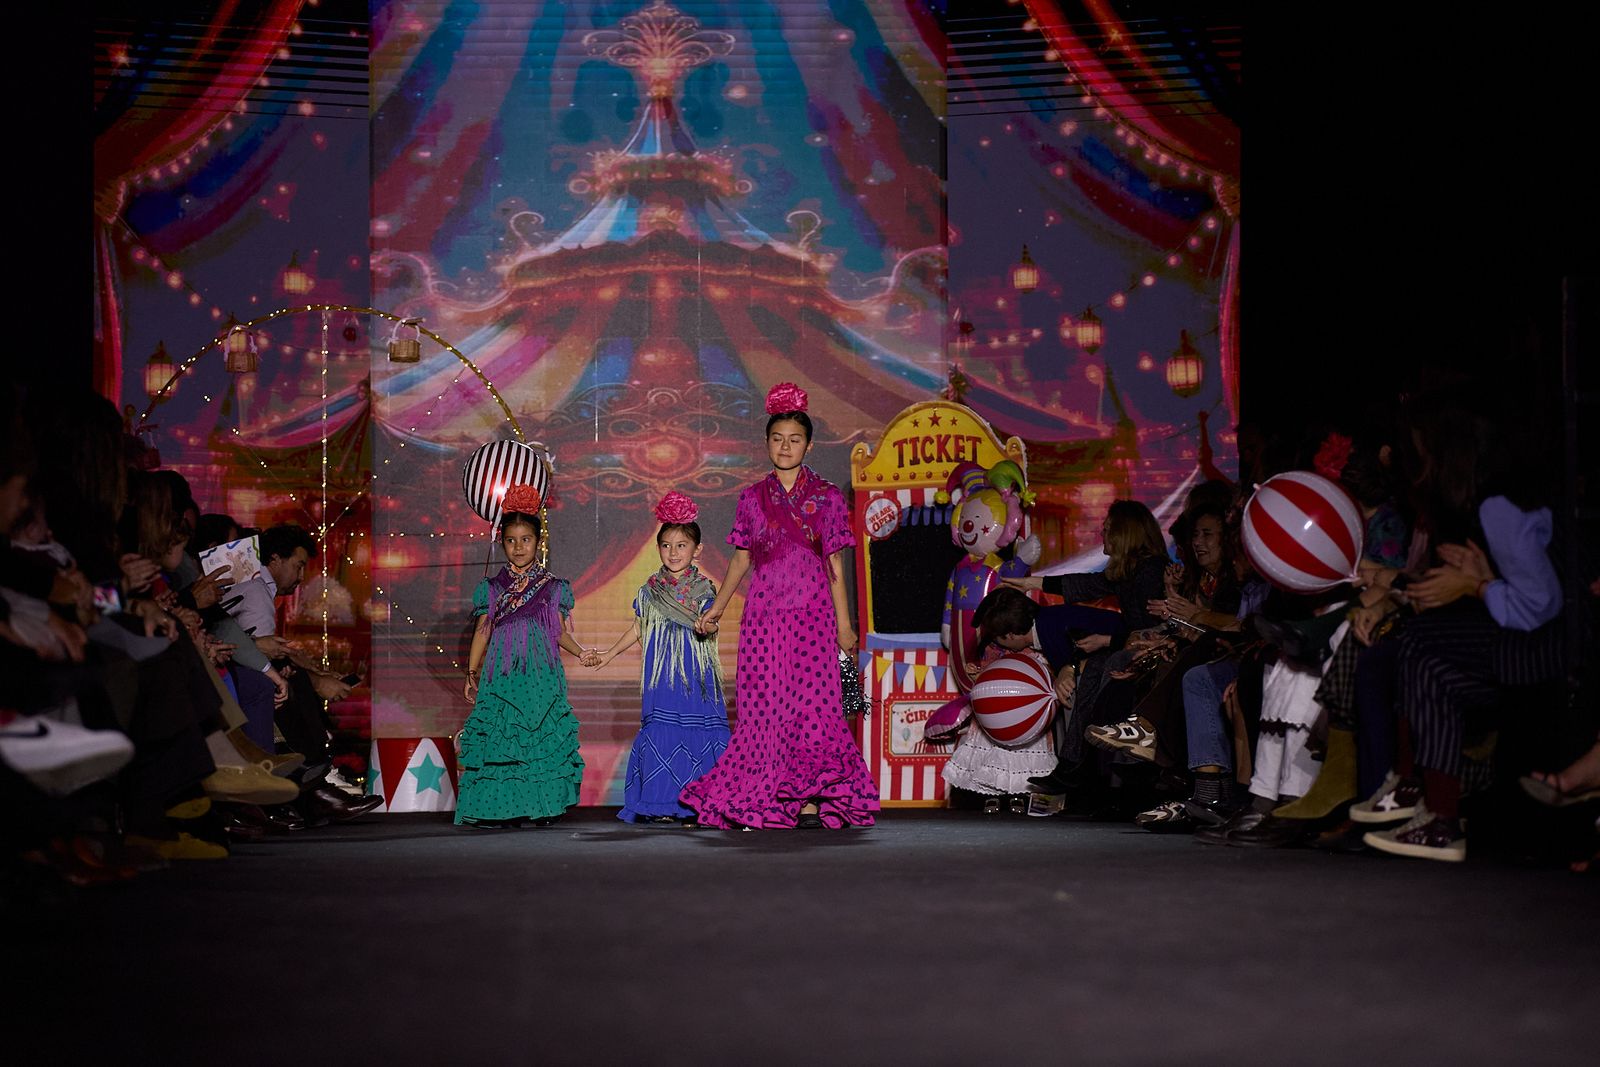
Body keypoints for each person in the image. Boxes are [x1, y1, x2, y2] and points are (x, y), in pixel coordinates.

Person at [681, 382, 879, 830]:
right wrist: (715, 608)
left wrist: (845, 627)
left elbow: (835, 565)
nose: (785, 446)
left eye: (794, 439)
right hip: (764, 621)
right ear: (767, 442)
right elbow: (741, 559)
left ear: (808, 445)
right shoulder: (752, 498)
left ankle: (809, 799)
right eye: (777, 438)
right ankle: (767, 794)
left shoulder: (827, 497)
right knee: (766, 711)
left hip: (813, 619)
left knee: (813, 712)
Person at [1001, 498, 1169, 793]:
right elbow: (1085, 585)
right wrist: (1032, 584)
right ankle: (1073, 767)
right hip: (1130, 645)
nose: (1101, 536)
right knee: (1095, 671)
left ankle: (1118, 770)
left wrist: (1109, 641)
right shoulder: (1128, 572)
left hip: (1154, 651)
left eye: (1106, 530)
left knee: (1111, 666)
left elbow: (1151, 631)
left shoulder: (1151, 571)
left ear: (1124, 533)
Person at [588, 491, 730, 824]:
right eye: (666, 545)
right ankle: (663, 804)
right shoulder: (650, 590)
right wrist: (608, 655)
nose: (674, 552)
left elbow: (711, 623)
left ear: (698, 550)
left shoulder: (705, 589)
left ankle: (699, 803)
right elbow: (639, 629)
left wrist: (706, 625)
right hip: (662, 677)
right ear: (658, 548)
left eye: (681, 545)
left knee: (698, 734)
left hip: (695, 676)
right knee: (663, 733)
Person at [457, 487, 588, 828]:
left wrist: (582, 652)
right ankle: (503, 810)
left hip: (541, 674)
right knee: (503, 740)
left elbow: (559, 633)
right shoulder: (491, 588)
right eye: (512, 540)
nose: (519, 547)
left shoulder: (553, 587)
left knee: (539, 738)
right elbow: (483, 631)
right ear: (502, 543)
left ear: (537, 542)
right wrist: (472, 671)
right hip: (502, 675)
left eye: (526, 539)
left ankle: (542, 806)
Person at [940, 586, 1059, 814]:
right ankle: (991, 794)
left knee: (1023, 754)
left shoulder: (1038, 649)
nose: (996, 640)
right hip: (995, 715)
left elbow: (1047, 677)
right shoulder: (994, 649)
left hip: (1027, 716)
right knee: (991, 753)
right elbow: (991, 677)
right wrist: (980, 674)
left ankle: (1018, 794)